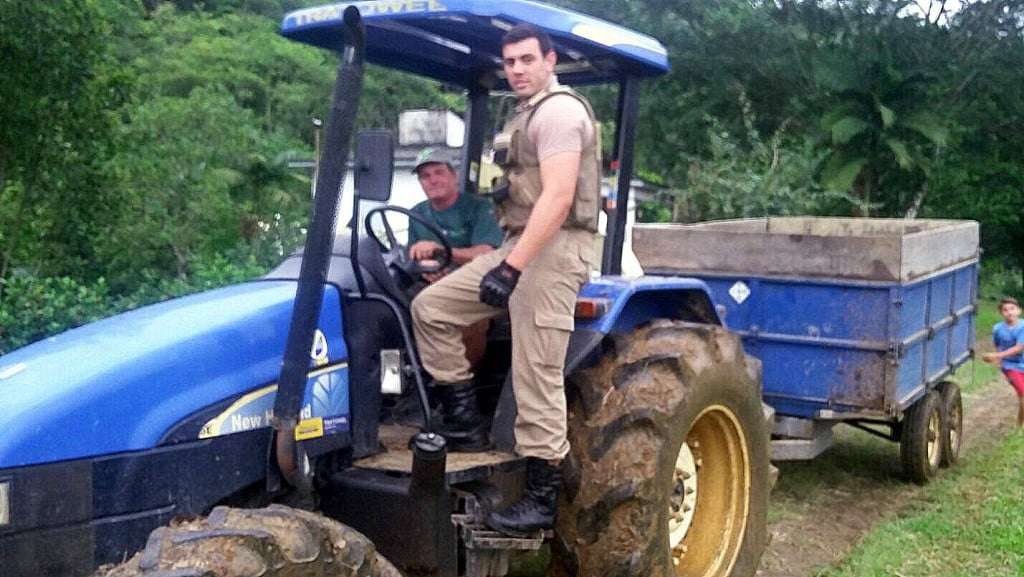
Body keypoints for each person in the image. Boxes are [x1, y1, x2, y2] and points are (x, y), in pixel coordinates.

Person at [411, 23, 600, 536]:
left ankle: (541, 497)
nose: (516, 69)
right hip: (518, 241)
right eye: (510, 62)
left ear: (549, 60)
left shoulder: (559, 112)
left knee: (534, 366)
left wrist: (511, 269)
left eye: (526, 60)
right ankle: (466, 424)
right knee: (432, 307)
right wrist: (505, 257)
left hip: (556, 246)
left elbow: (558, 197)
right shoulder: (522, 114)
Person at [408, 149, 503, 367]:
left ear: (454, 176)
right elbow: (414, 255)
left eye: (438, 172)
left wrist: (441, 252)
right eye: (425, 176)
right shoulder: (416, 214)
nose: (432, 180)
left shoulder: (480, 209)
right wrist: (425, 268)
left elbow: (486, 254)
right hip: (430, 284)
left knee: (460, 316)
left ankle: (462, 381)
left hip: (476, 287)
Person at [982, 297, 1024, 427]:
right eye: (1005, 310)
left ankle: (1019, 424)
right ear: (1001, 313)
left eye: (1012, 309)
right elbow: (998, 344)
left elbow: (1019, 347)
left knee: (1021, 397)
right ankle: (1019, 426)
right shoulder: (998, 329)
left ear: (1019, 311)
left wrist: (997, 355)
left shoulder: (1022, 327)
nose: (1009, 312)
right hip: (1010, 367)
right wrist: (998, 359)